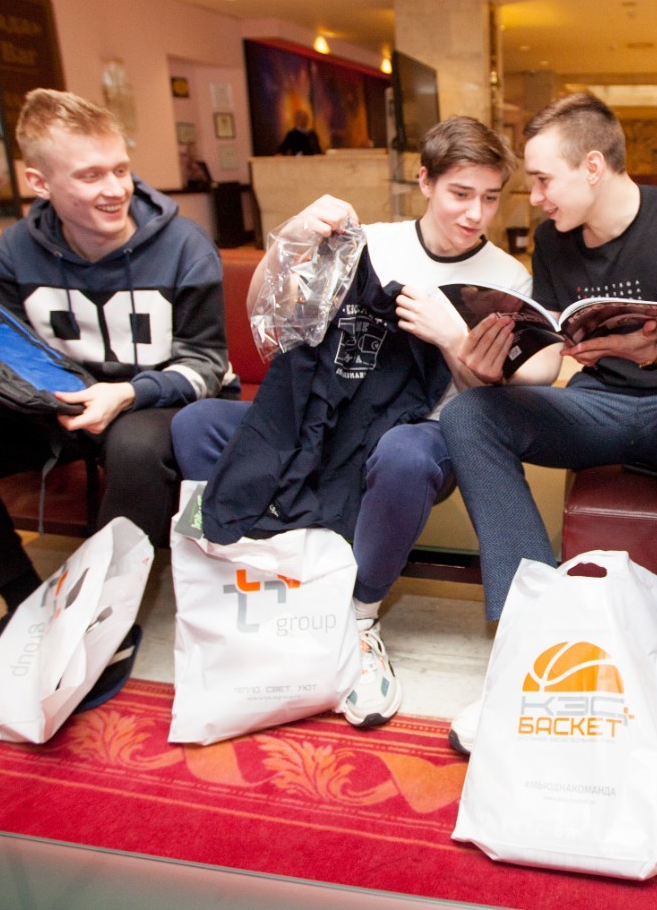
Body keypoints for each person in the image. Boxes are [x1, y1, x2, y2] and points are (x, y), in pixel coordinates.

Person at [173, 115, 561, 729]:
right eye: (461, 193)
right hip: (338, 411)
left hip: (428, 430)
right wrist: (294, 237)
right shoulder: (367, 245)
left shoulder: (505, 280)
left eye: (491, 198)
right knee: (196, 424)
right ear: (425, 181)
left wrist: (451, 337)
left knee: (403, 453)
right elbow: (269, 319)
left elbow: (484, 405)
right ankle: (250, 569)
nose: (475, 214)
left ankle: (359, 617)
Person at [0, 88, 230, 698]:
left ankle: (99, 618)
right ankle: (26, 604)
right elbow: (9, 366)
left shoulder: (184, 245)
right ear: (39, 182)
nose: (116, 189)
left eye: (121, 169)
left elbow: (208, 362)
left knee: (134, 445)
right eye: (91, 175)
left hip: (158, 403)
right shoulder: (15, 252)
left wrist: (124, 395)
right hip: (56, 409)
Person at [438, 93, 657, 781]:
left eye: (544, 180)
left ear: (593, 166)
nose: (535, 198)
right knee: (468, 413)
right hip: (595, 407)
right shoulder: (553, 241)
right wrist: (495, 359)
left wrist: (651, 354)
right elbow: (550, 358)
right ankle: (535, 638)